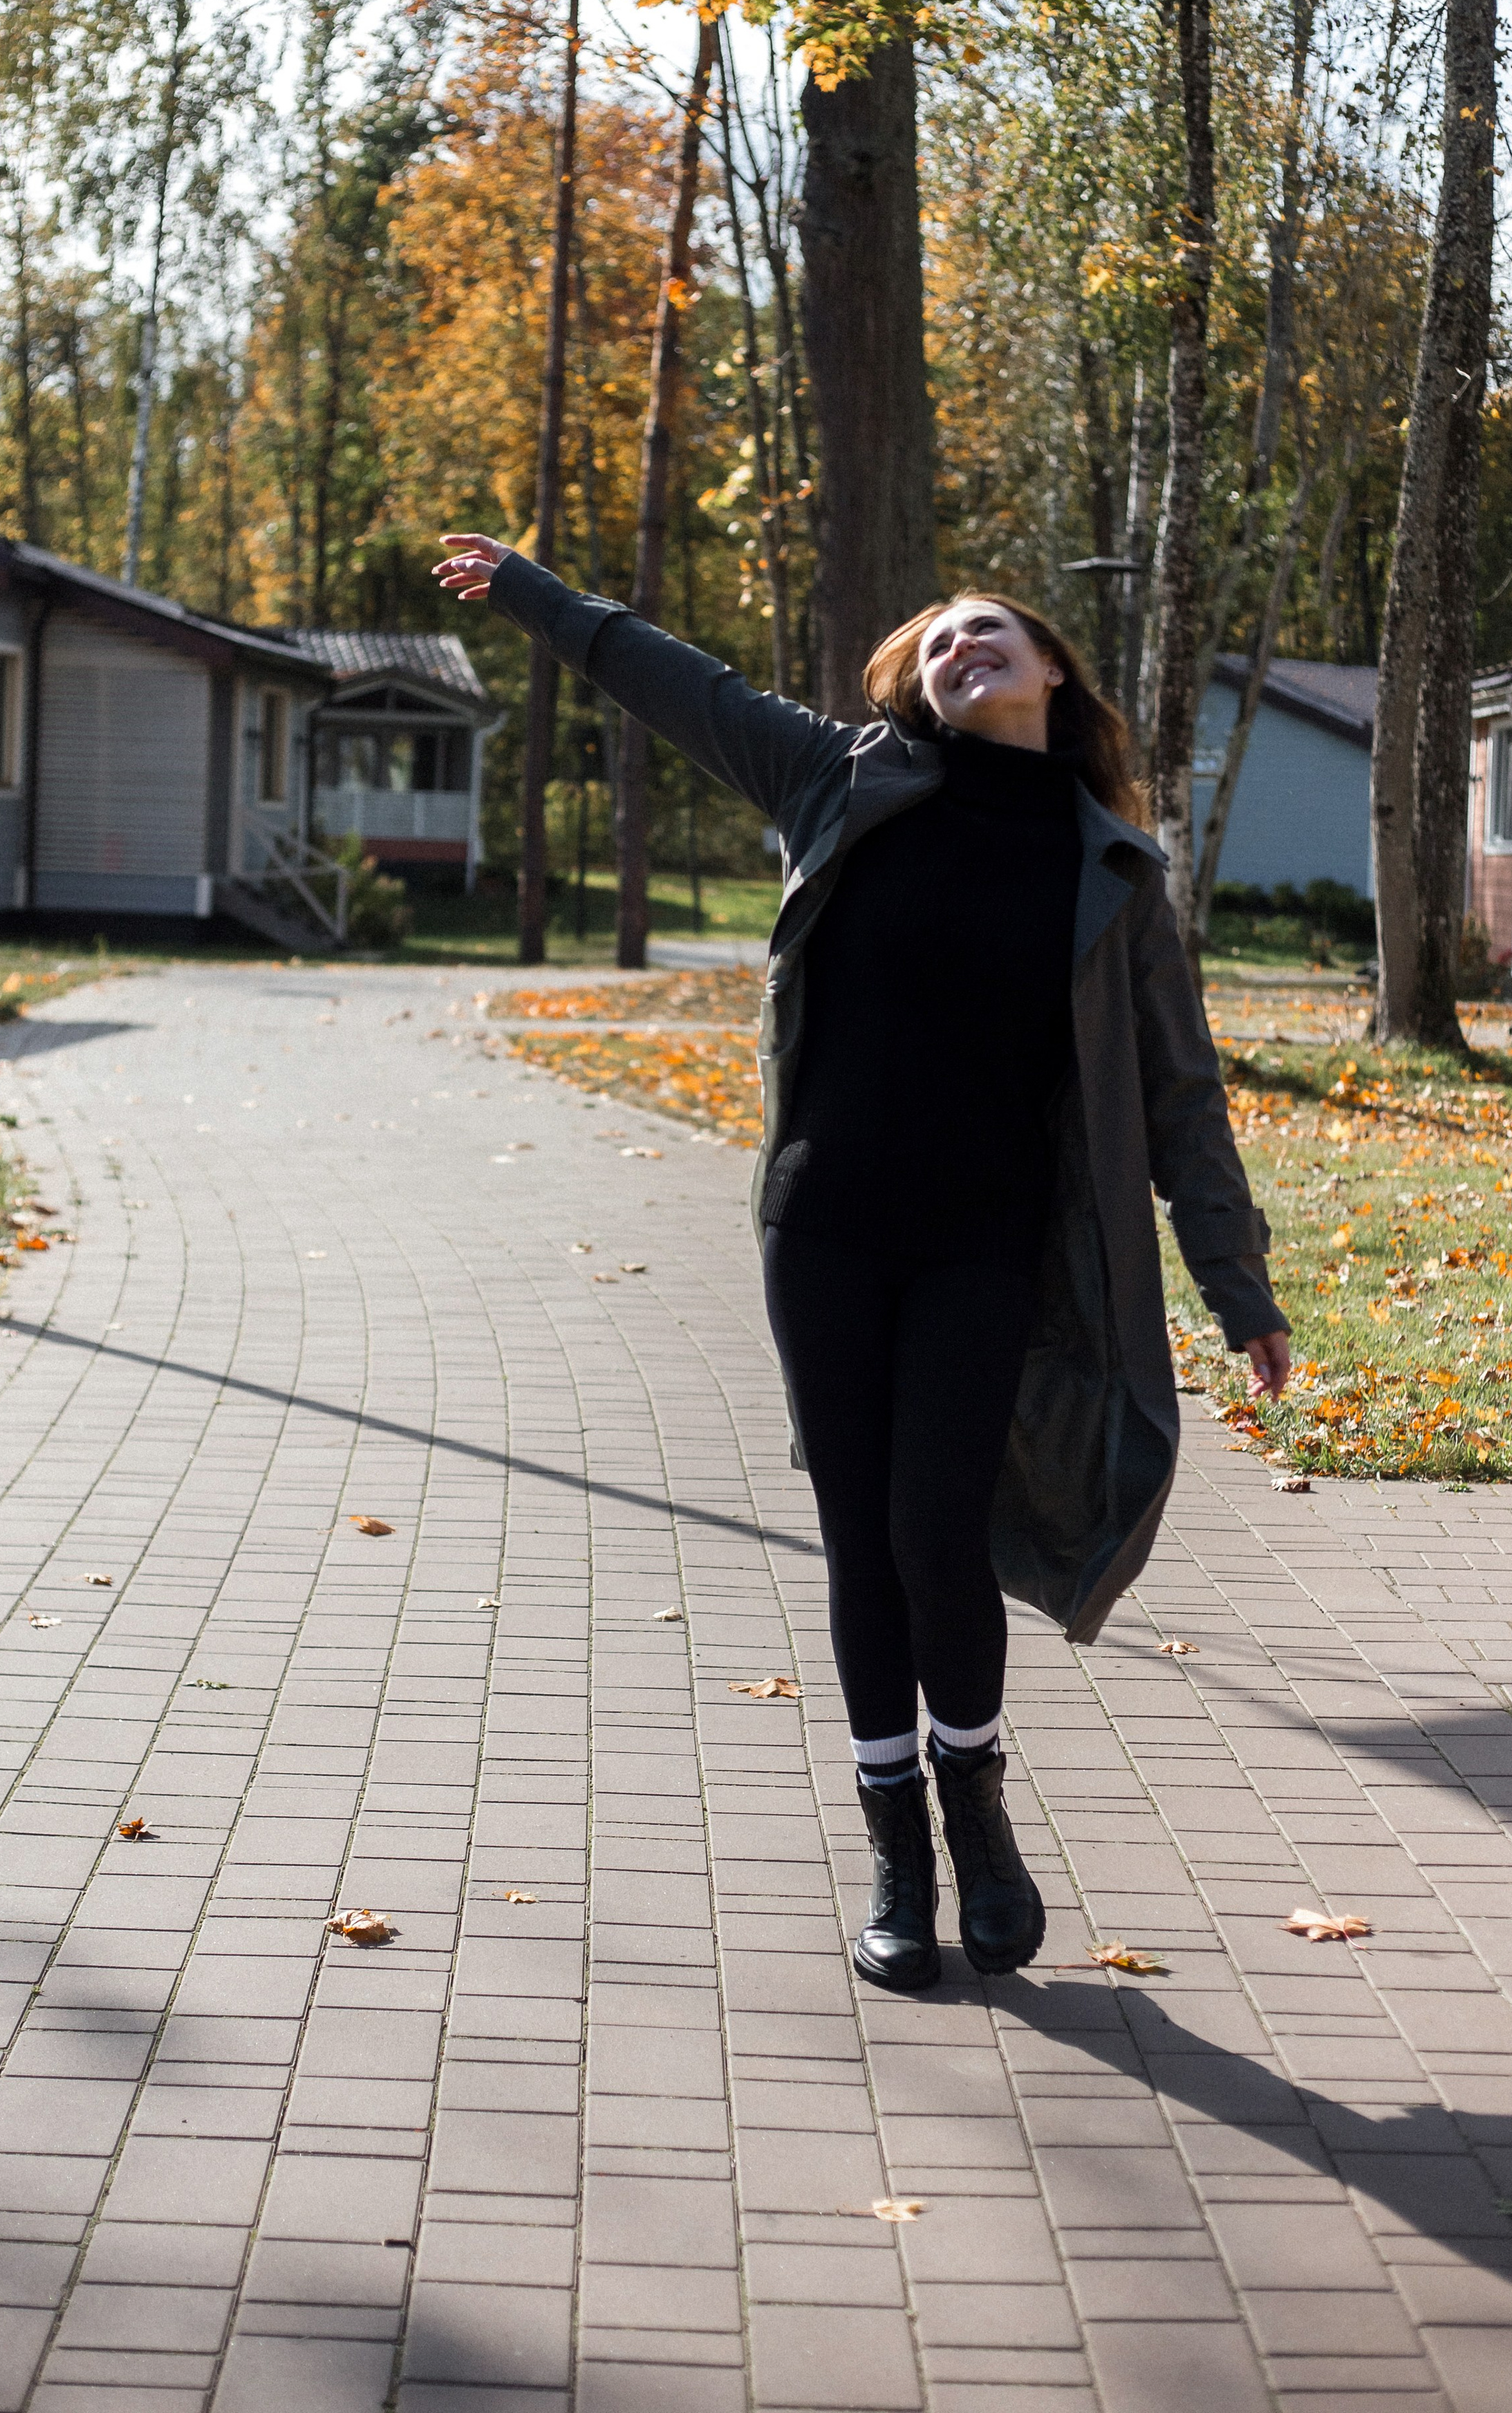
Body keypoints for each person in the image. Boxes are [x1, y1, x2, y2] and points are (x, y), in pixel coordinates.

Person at [433, 535, 1289, 1989]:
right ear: (916, 677)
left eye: (992, 637)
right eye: (940, 641)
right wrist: (533, 595)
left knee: (932, 1530)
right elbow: (673, 682)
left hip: (985, 1240)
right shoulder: (840, 778)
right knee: (858, 1537)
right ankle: (893, 1840)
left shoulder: (1111, 871)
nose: (963, 652)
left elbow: (1175, 1097)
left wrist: (1235, 1286)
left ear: (1052, 674)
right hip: (823, 1228)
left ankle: (977, 1810)